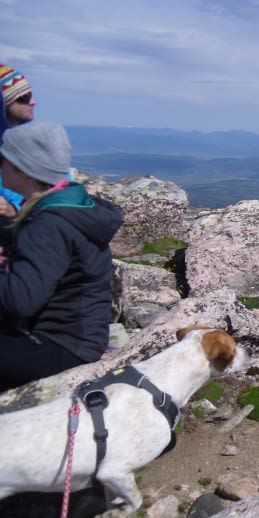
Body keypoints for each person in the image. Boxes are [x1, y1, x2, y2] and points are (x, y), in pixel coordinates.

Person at [0, 122, 123, 390]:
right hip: (81, 338)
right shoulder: (68, 208)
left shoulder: (48, 224)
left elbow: (20, 301)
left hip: (58, 345)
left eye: (3, 159)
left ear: (22, 168)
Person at [0, 63, 34, 218]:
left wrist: (14, 209)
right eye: (24, 98)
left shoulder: (32, 143)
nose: (33, 102)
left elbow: (56, 189)